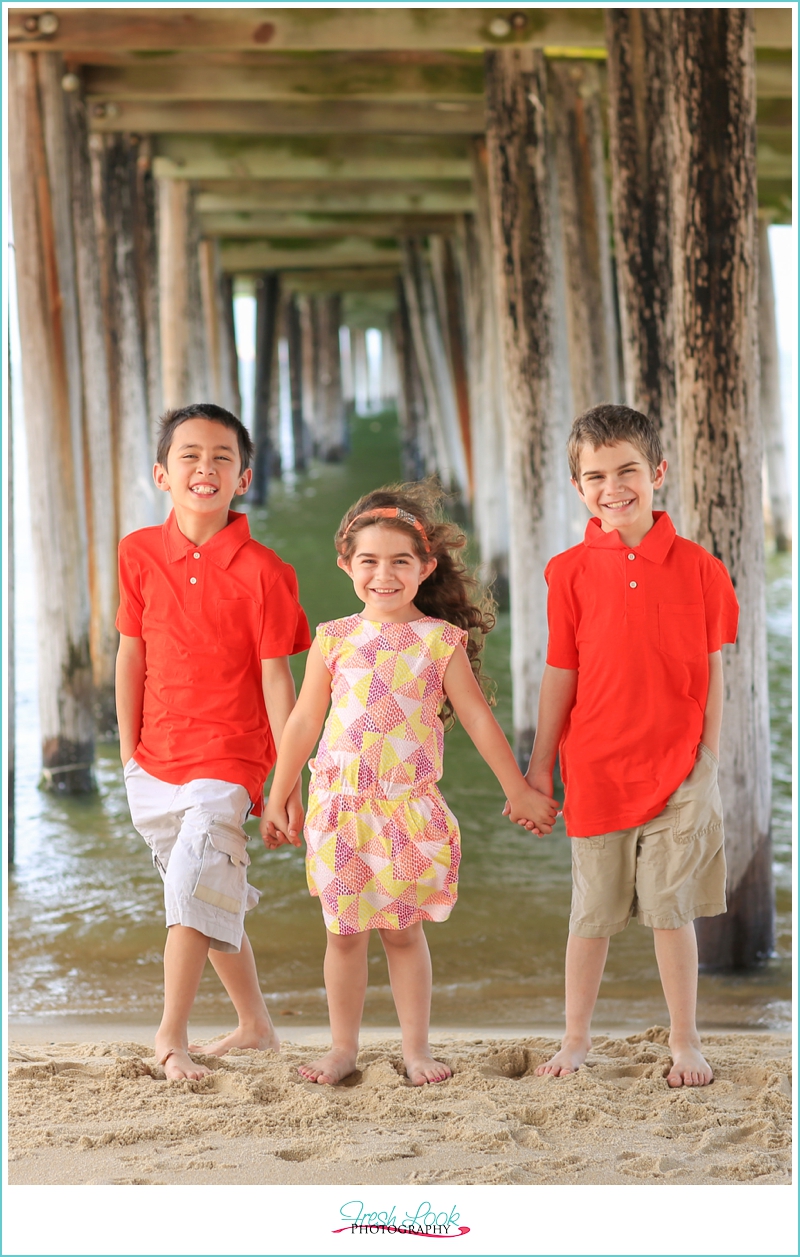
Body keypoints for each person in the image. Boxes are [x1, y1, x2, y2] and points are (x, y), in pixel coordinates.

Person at [263, 484, 559, 1086]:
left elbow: (477, 719)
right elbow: (303, 721)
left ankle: (417, 1048)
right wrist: (277, 793)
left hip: (406, 808)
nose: (384, 575)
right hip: (340, 805)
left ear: (425, 568)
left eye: (400, 561)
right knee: (343, 934)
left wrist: (519, 789)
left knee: (402, 932)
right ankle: (342, 1048)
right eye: (368, 561)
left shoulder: (438, 641)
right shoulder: (334, 637)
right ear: (347, 565)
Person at [524, 404, 739, 1087]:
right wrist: (537, 768)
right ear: (578, 486)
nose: (613, 487)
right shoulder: (567, 571)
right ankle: (576, 1038)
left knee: (670, 911)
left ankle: (685, 1042)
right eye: (595, 476)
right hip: (594, 771)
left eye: (628, 471)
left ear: (658, 473)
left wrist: (707, 763)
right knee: (592, 913)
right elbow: (562, 673)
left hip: (680, 773)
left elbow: (714, 676)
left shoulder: (703, 569)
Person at [115, 403, 311, 1081]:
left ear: (244, 477)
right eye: (190, 455)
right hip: (155, 760)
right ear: (161, 474)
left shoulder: (266, 571)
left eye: (221, 457)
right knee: (203, 894)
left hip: (231, 762)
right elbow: (130, 655)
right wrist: (125, 750)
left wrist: (287, 785)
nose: (205, 467)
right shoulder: (137, 552)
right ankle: (255, 1026)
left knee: (196, 885)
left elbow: (279, 684)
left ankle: (170, 1036)